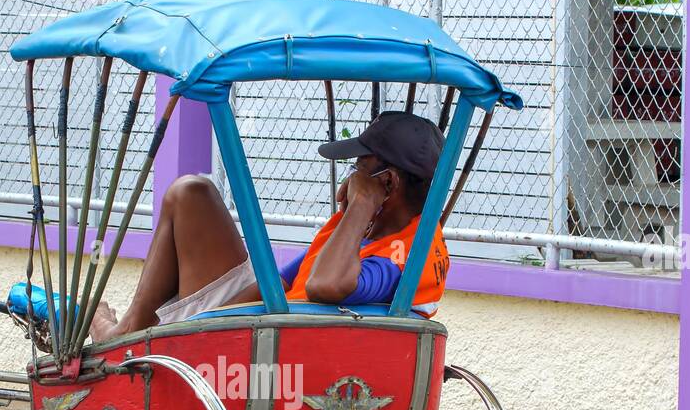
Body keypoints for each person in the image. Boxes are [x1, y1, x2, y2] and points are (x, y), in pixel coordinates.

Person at [89, 110, 452, 342]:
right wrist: (205, 320)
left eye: (358, 169)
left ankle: (121, 334)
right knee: (192, 194)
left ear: (386, 184)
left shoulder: (404, 258)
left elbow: (325, 284)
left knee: (190, 192)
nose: (350, 180)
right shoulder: (364, 228)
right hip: (254, 325)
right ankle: (137, 332)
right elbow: (282, 281)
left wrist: (362, 204)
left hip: (268, 355)